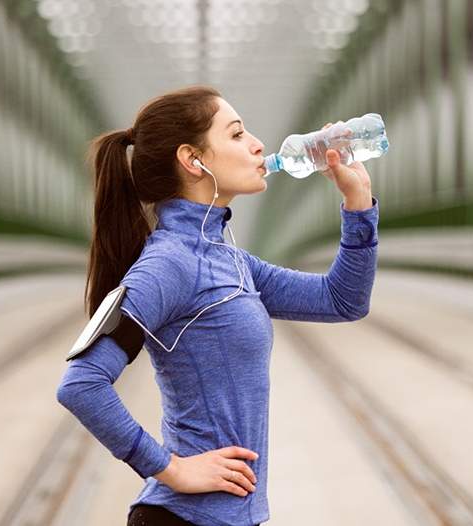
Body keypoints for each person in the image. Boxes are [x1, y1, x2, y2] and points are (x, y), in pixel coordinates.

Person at [56, 85, 379, 526]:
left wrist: (357, 204)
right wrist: (171, 468)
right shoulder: (169, 264)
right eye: (236, 134)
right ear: (193, 160)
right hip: (184, 517)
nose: (258, 144)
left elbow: (342, 300)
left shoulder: (228, 259)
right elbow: (81, 383)